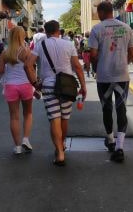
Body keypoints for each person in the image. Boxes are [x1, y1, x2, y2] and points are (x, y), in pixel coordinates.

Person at [31, 20, 86, 166]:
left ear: (45, 31)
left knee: (54, 119)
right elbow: (77, 67)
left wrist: (34, 83)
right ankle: (62, 145)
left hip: (48, 86)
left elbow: (27, 64)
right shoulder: (68, 45)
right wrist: (83, 86)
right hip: (67, 86)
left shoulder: (40, 45)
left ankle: (60, 153)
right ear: (58, 30)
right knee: (64, 119)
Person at [89, 1, 133, 163]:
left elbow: (93, 54)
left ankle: (110, 140)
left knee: (106, 108)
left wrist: (98, 64)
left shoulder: (97, 29)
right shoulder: (126, 27)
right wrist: (123, 63)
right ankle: (120, 147)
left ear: (102, 12)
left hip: (104, 77)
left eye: (97, 12)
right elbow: (132, 53)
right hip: (122, 76)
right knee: (121, 109)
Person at [0, 26, 38, 155]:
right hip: (25, 85)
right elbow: (31, 69)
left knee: (14, 117)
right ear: (22, 36)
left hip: (10, 86)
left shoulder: (5, 52)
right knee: (28, 113)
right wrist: (36, 85)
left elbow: (0, 70)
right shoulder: (26, 51)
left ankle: (17, 147)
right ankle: (26, 139)